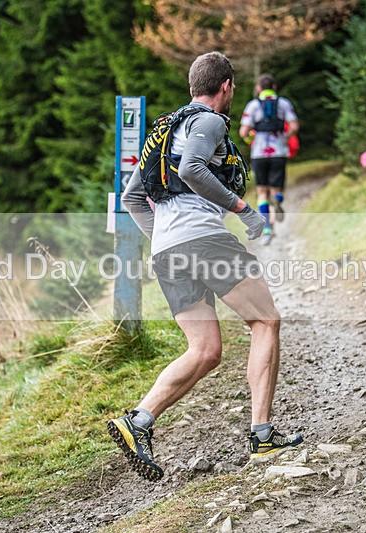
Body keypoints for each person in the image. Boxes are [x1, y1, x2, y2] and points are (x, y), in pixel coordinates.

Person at [111, 52, 303, 482]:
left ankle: (138, 421)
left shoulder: (165, 130)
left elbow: (132, 198)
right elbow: (193, 168)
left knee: (206, 350)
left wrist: (166, 239)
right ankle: (263, 434)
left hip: (168, 253)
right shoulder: (210, 121)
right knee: (266, 321)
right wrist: (243, 209)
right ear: (227, 86)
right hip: (205, 241)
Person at [239, 74, 300, 246]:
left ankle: (267, 229)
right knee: (276, 189)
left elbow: (243, 132)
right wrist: (286, 136)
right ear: (274, 87)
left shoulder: (252, 106)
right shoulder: (284, 103)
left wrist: (251, 139)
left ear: (258, 89)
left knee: (261, 192)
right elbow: (294, 125)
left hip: (259, 153)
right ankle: (278, 199)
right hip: (279, 151)